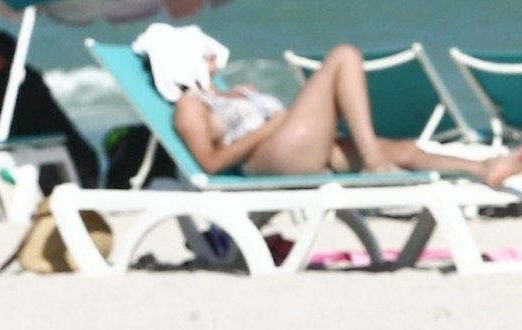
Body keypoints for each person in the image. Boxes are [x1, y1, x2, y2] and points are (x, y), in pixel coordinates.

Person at [160, 34, 522, 189]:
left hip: (293, 146)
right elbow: (209, 164)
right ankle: (372, 160)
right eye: (204, 52)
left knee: (403, 150)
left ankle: (485, 168)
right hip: (268, 157)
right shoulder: (190, 106)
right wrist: (270, 128)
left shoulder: (236, 90)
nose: (213, 55)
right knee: (344, 56)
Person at [0, 28, 98, 191]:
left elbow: (4, 123)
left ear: (0, 59)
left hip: (73, 164)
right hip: (41, 160)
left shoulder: (23, 82)